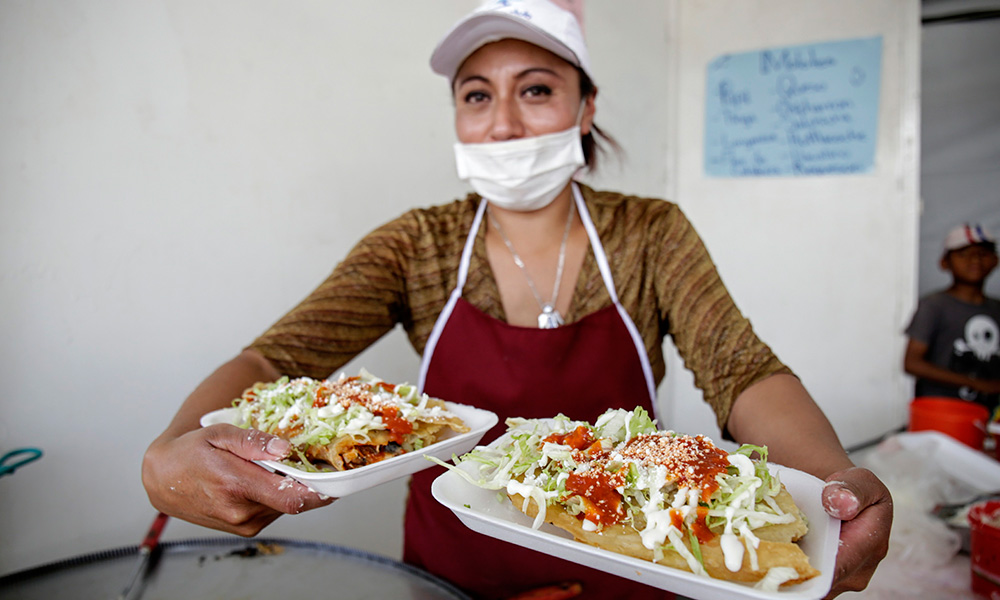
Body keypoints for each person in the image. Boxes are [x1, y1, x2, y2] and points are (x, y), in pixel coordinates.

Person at [142, 1, 892, 598]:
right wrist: (170, 453)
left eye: (536, 90)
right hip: (453, 574)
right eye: (477, 95)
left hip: (642, 554)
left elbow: (742, 371)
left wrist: (833, 493)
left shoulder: (649, 234)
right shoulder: (416, 247)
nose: (502, 122)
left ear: (586, 105)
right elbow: (274, 357)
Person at [904, 223, 1000, 413]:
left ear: (995, 261)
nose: (975, 260)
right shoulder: (934, 306)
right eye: (963, 254)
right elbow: (912, 363)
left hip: (988, 414)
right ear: (945, 262)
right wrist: (978, 384)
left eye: (982, 254)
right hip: (941, 411)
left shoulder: (996, 308)